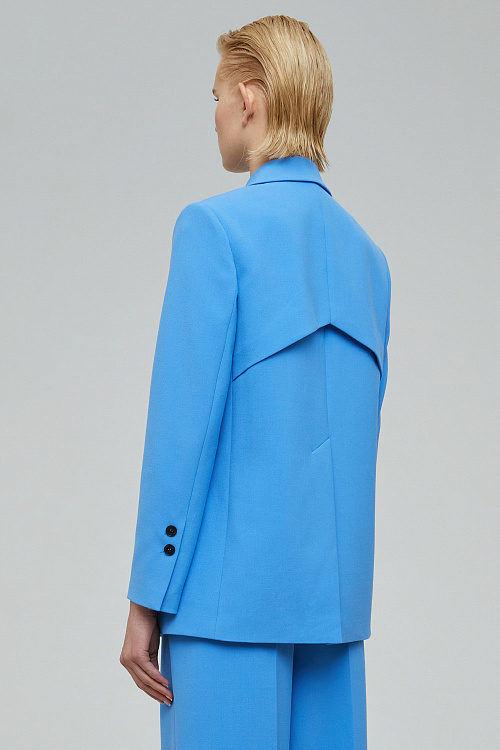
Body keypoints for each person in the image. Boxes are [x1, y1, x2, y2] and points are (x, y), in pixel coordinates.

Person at [120, 14, 391, 750]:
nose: (213, 115)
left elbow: (183, 432)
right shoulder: (370, 260)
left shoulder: (215, 231)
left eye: (215, 96)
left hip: (224, 612)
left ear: (249, 97)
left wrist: (148, 596)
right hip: (335, 620)